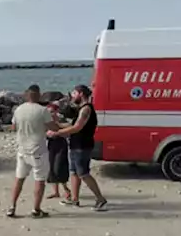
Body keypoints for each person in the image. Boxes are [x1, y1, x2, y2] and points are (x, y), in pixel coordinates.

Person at [49, 84, 108, 210]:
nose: (72, 96)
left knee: (83, 174)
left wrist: (57, 133)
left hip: (82, 146)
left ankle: (100, 199)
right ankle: (75, 199)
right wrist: (58, 124)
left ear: (81, 94)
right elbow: (72, 125)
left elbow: (77, 127)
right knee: (74, 173)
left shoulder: (86, 109)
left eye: (74, 93)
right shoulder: (81, 109)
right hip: (75, 145)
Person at [8, 85, 60, 218]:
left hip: (22, 149)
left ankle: (12, 206)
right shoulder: (43, 110)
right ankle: (36, 209)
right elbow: (53, 128)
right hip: (38, 149)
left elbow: (13, 127)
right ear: (39, 95)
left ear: (26, 95)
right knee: (39, 180)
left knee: (19, 179)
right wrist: (56, 121)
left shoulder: (19, 109)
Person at [44, 101, 69, 199]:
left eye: (52, 111)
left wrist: (57, 127)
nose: (50, 114)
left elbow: (68, 130)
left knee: (59, 168)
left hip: (61, 144)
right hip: (51, 145)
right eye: (49, 112)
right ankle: (56, 192)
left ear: (56, 111)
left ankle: (66, 189)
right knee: (51, 168)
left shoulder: (61, 120)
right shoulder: (47, 122)